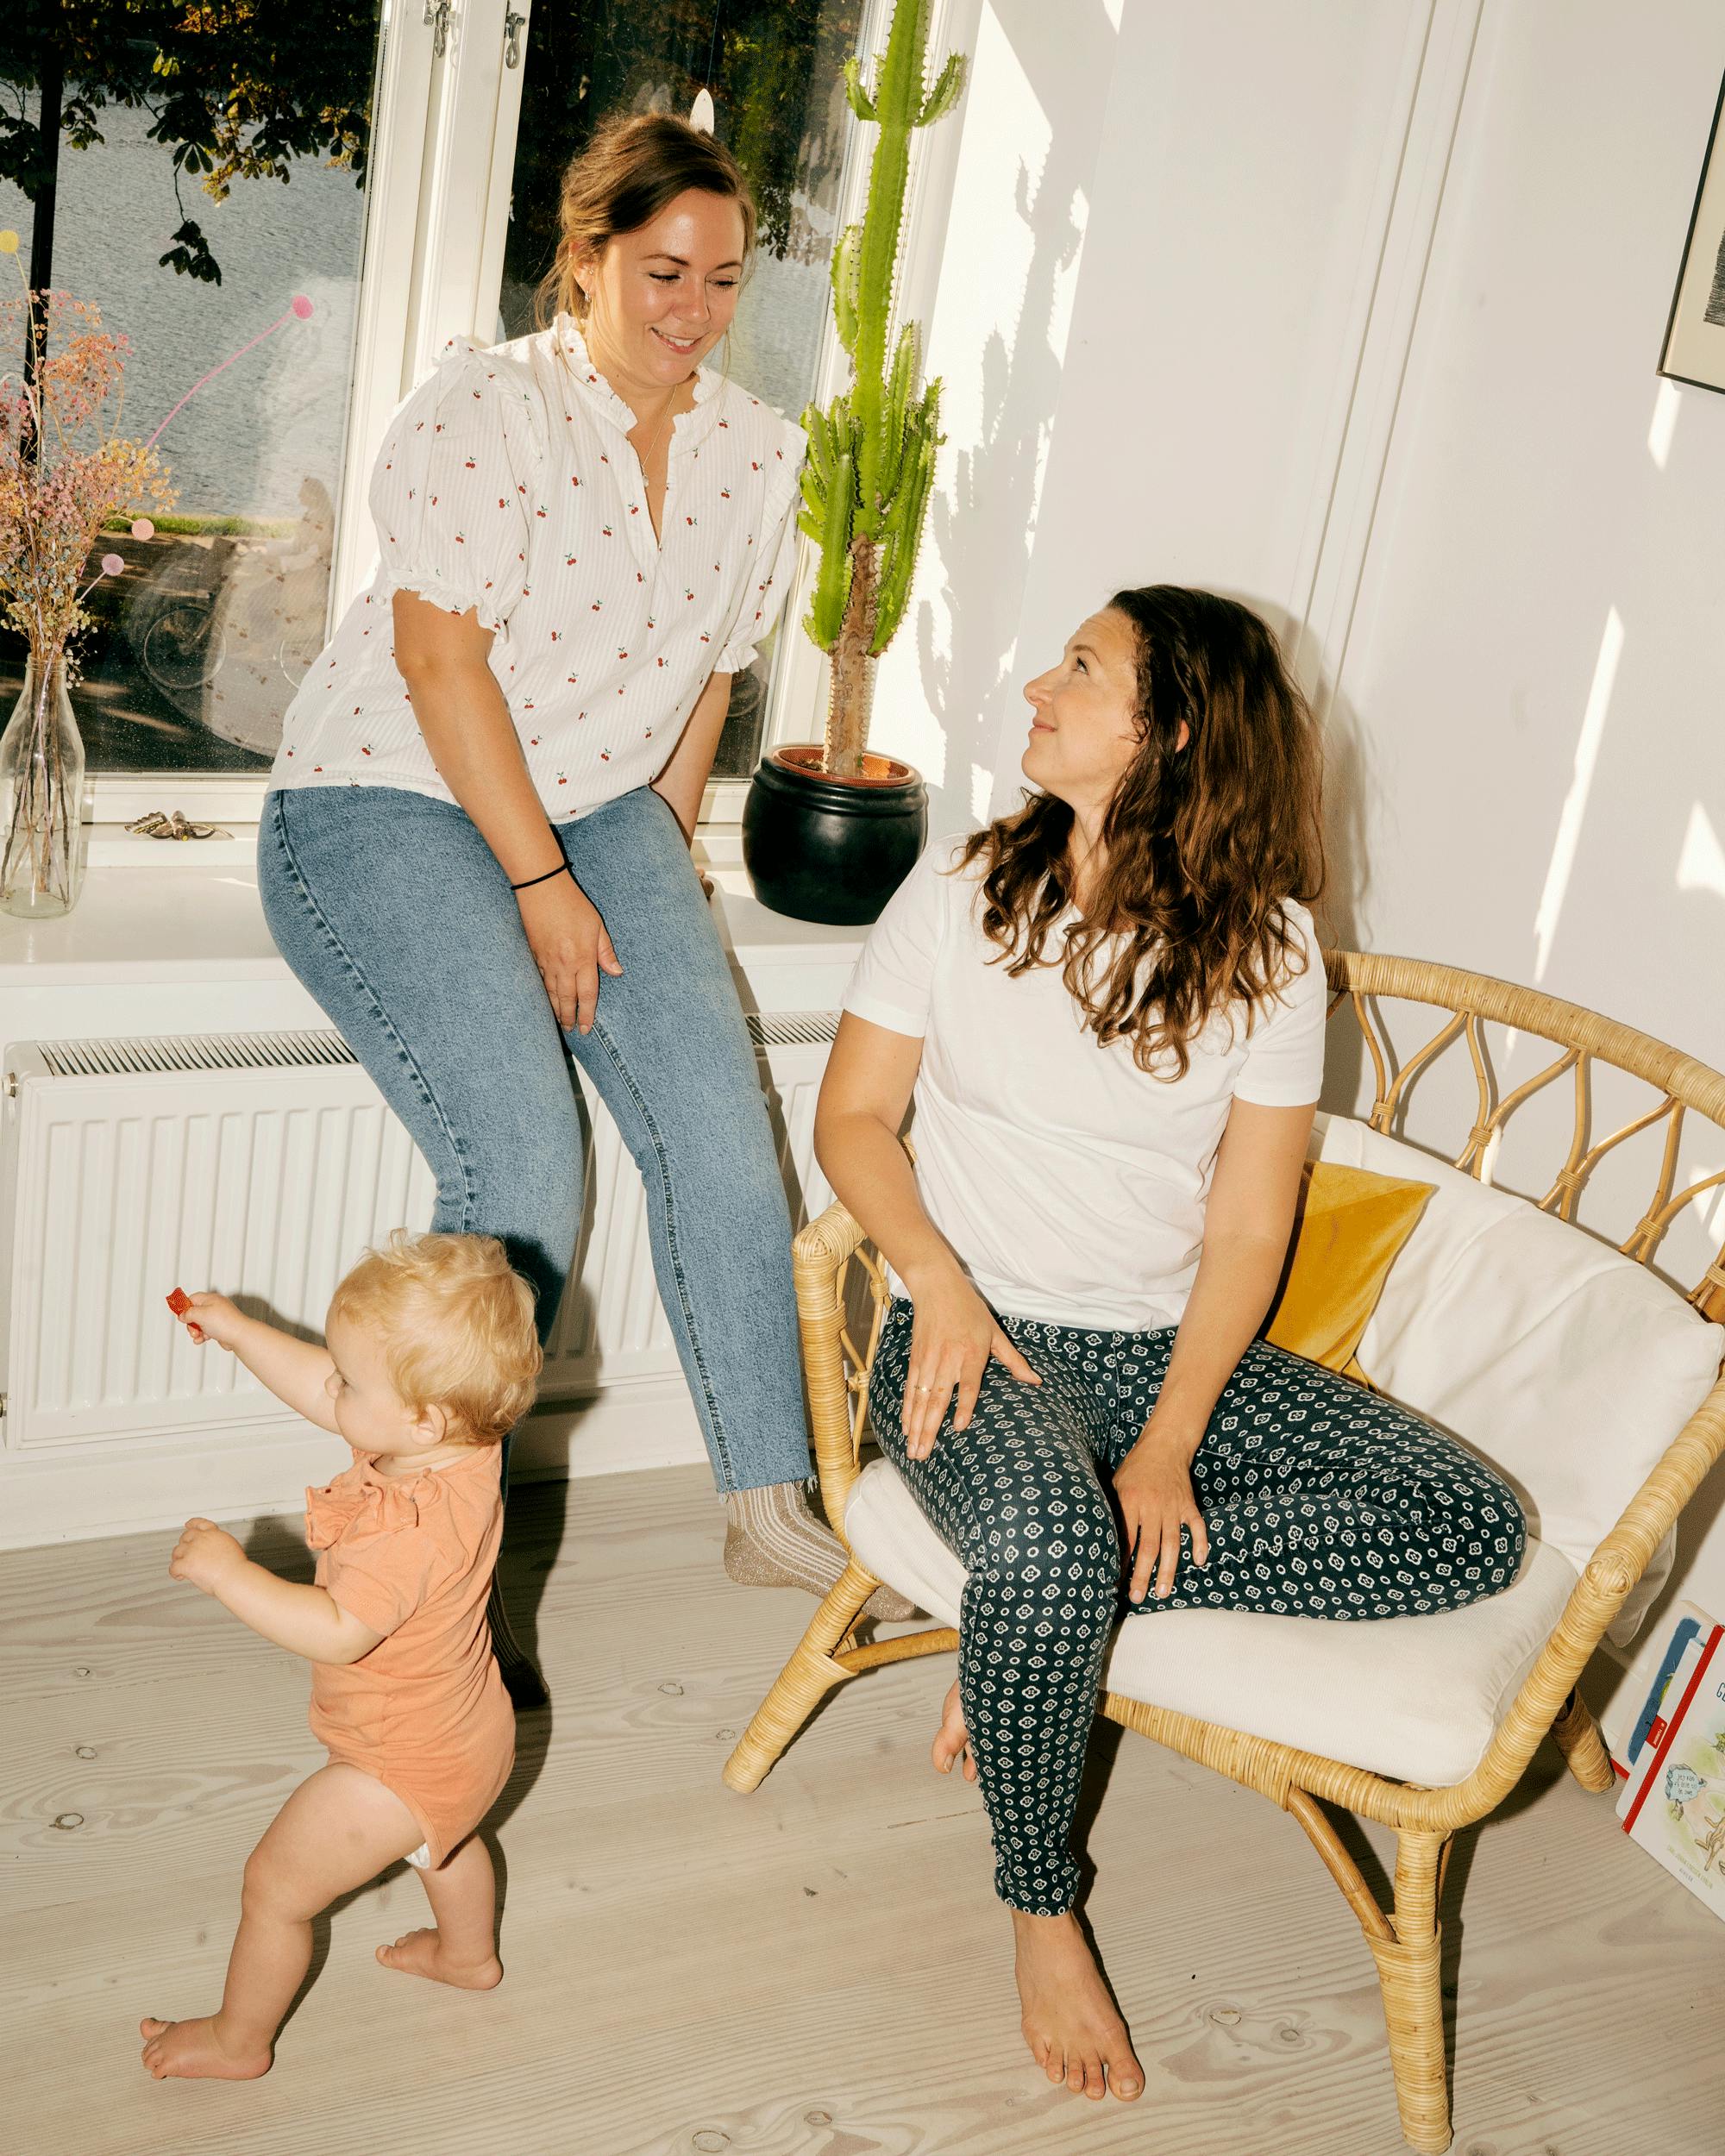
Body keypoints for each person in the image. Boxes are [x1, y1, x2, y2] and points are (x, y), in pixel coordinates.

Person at [813, 586, 1527, 2104]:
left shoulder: (1269, 953)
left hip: (1159, 1353)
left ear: (1175, 731)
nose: (1037, 684)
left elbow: (1248, 1234)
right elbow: (852, 1124)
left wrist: (1168, 1439)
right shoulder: (956, 891)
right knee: (1053, 1542)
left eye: (1083, 668)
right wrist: (933, 1275)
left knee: (1471, 1524)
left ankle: (1040, 1613)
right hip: (969, 1343)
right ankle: (1038, 1899)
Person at [260, 113, 901, 1705]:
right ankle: (420, 1554)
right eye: (661, 270)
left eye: (724, 278)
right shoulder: (490, 406)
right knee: (526, 1164)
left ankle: (768, 1498)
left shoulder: (761, 451)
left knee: (717, 1122)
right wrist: (544, 884)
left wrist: (651, 865)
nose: (691, 307)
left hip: (604, 814)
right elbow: (434, 662)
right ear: (590, 256)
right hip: (388, 792)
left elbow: (712, 678)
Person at [140, 1232, 542, 2081]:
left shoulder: (404, 1530)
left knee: (275, 1891)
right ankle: (467, 1958)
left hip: (393, 1761)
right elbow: (329, 1390)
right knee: (448, 1836)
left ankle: (237, 2040)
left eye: (352, 1379)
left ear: (419, 1416)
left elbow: (335, 1628)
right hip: (470, 1732)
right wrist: (243, 1332)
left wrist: (230, 1575)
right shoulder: (463, 1439)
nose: (334, 1385)